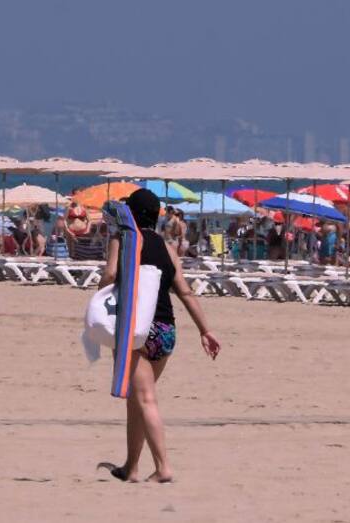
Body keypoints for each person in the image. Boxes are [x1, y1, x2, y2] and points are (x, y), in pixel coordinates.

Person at [97, 188, 221, 483]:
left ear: (130, 214)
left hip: (137, 327)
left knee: (145, 398)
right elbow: (185, 292)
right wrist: (205, 330)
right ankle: (131, 467)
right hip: (166, 331)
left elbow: (111, 275)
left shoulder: (122, 240)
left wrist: (98, 300)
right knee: (136, 399)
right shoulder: (168, 248)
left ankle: (163, 467)